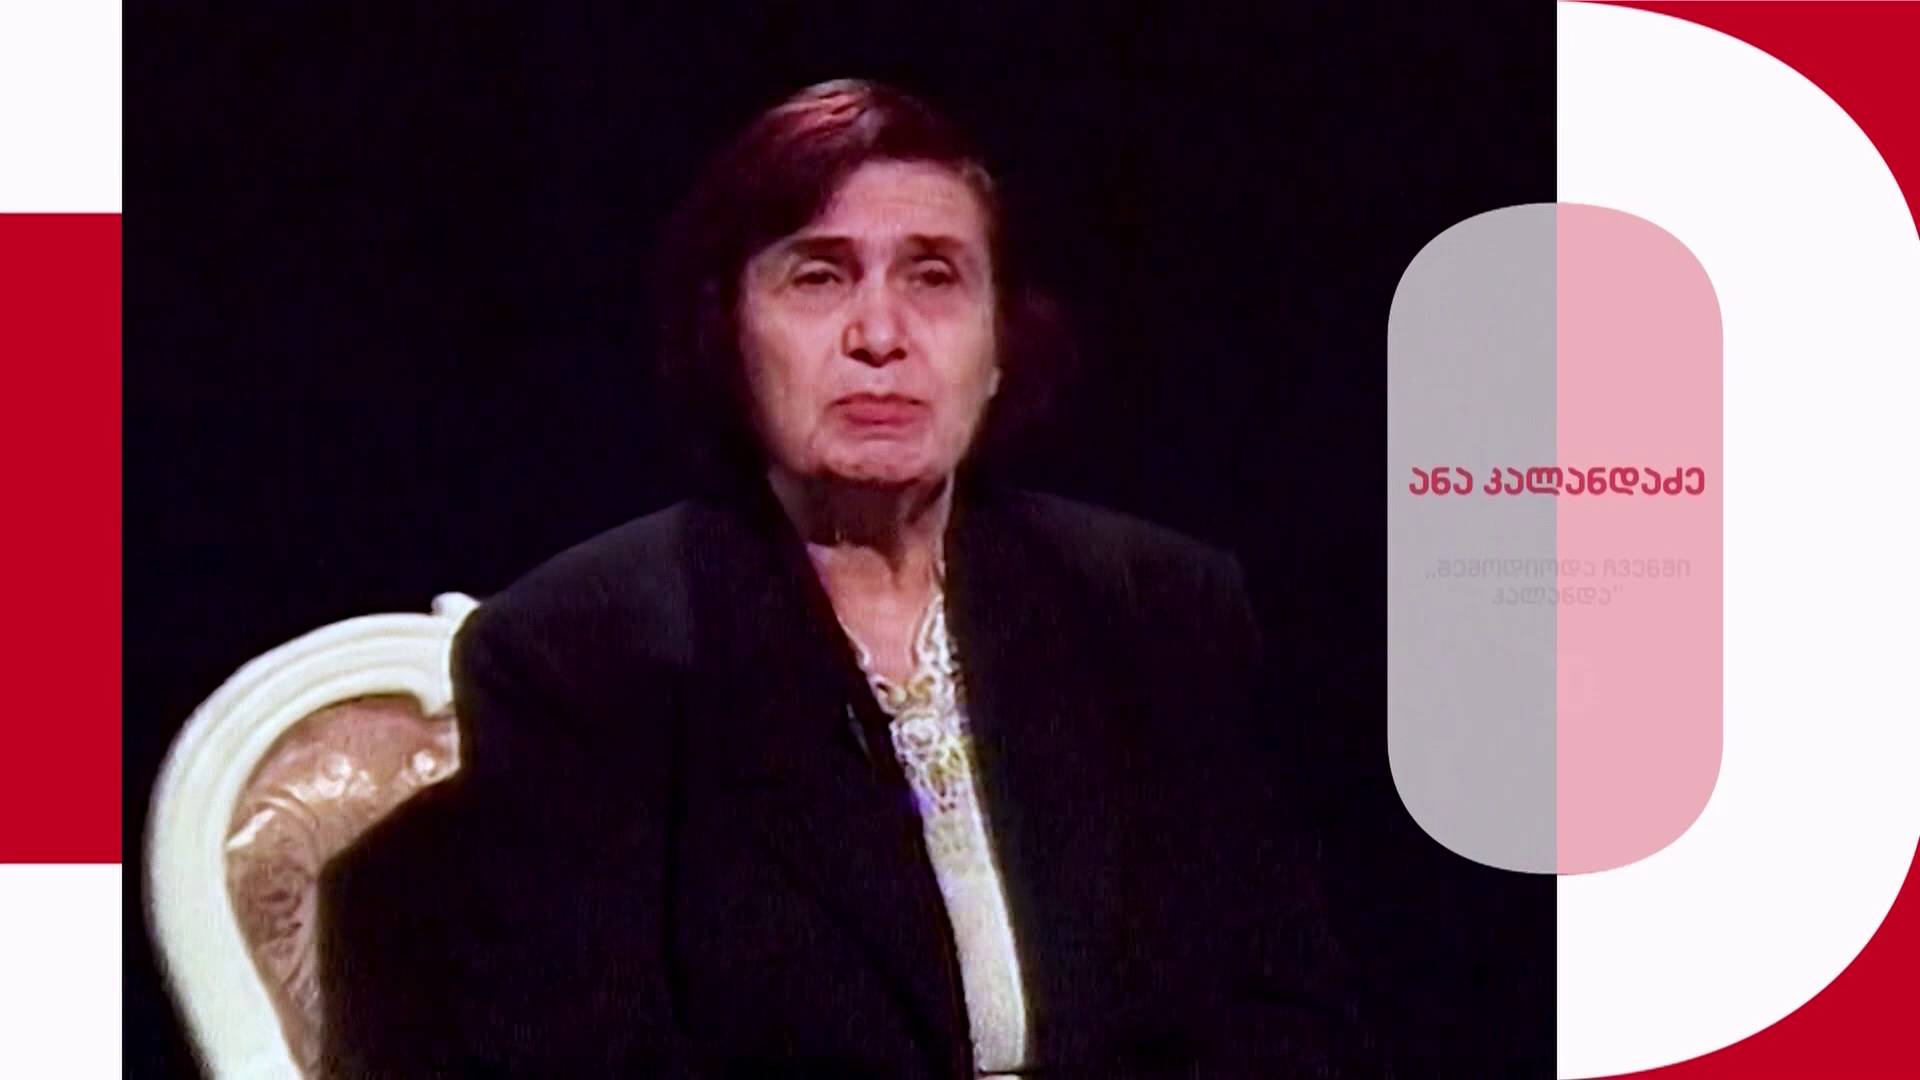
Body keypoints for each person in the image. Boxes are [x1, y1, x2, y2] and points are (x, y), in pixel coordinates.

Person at [319, 79, 1367, 1078]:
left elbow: (1285, 1017)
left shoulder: (1159, 610)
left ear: (1001, 344)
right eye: (818, 277)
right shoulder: (582, 655)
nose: (879, 336)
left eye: (934, 277)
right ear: (730, 334)